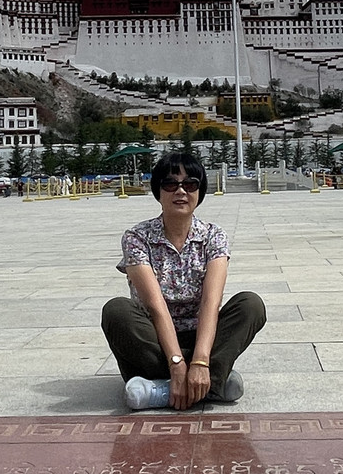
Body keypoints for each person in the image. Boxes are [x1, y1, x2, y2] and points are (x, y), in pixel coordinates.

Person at [102, 152, 266, 411]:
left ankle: (161, 389)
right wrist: (177, 363)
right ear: (158, 191)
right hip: (154, 340)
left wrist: (200, 361)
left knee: (250, 305)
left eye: (190, 184)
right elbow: (156, 306)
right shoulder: (137, 237)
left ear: (200, 191)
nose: (180, 191)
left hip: (202, 339)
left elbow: (211, 303)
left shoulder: (213, 236)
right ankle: (212, 383)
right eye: (170, 184)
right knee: (116, 311)